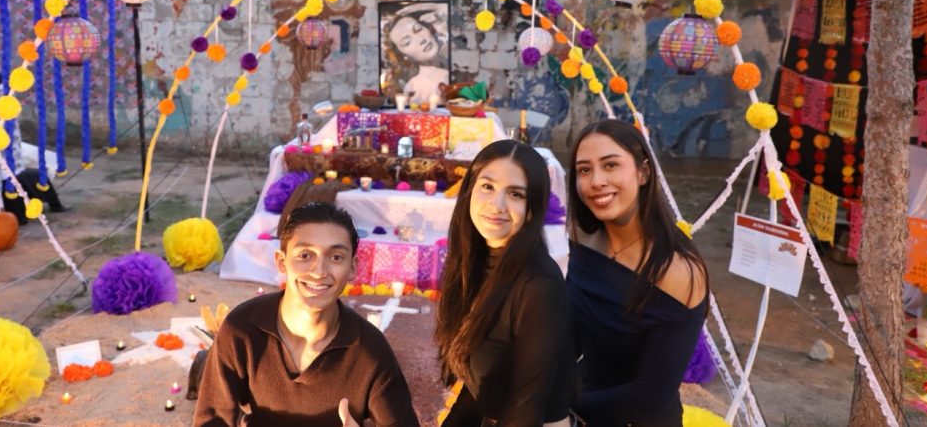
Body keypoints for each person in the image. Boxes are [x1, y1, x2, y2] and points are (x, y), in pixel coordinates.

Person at [194, 202, 418, 427]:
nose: (319, 271)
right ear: (281, 262)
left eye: (336, 257)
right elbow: (211, 421)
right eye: (304, 255)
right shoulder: (242, 330)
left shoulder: (370, 349)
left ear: (352, 267)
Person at [566, 119, 710, 426]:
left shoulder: (678, 272)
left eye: (610, 165)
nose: (596, 181)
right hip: (578, 402)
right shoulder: (583, 236)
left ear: (643, 172)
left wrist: (559, 404)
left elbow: (650, 398)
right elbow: (571, 329)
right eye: (584, 170)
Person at [434, 139, 571, 427]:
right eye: (488, 186)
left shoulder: (539, 286)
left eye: (515, 194)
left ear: (532, 209)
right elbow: (476, 387)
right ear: (469, 191)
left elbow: (525, 411)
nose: (496, 205)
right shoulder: (473, 262)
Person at [381, 3, 450, 105]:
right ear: (403, 55)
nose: (421, 40)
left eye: (418, 29)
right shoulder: (415, 86)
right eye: (407, 42)